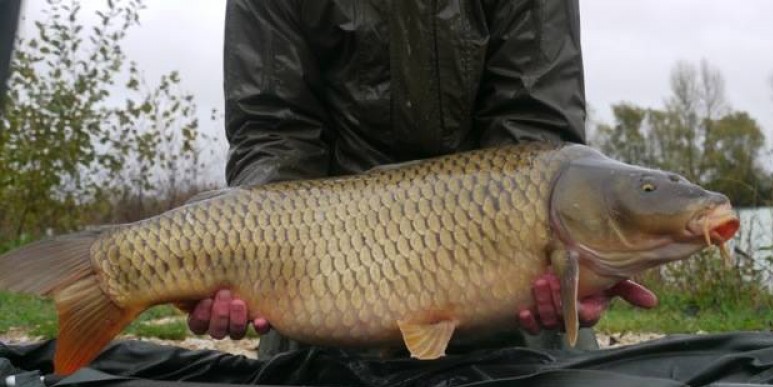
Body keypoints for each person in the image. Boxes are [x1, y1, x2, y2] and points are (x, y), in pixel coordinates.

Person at [188, 0, 656, 354]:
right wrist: (252, 265)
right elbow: (273, 132)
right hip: (322, 289)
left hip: (506, 312)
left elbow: (535, 139)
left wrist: (581, 271)